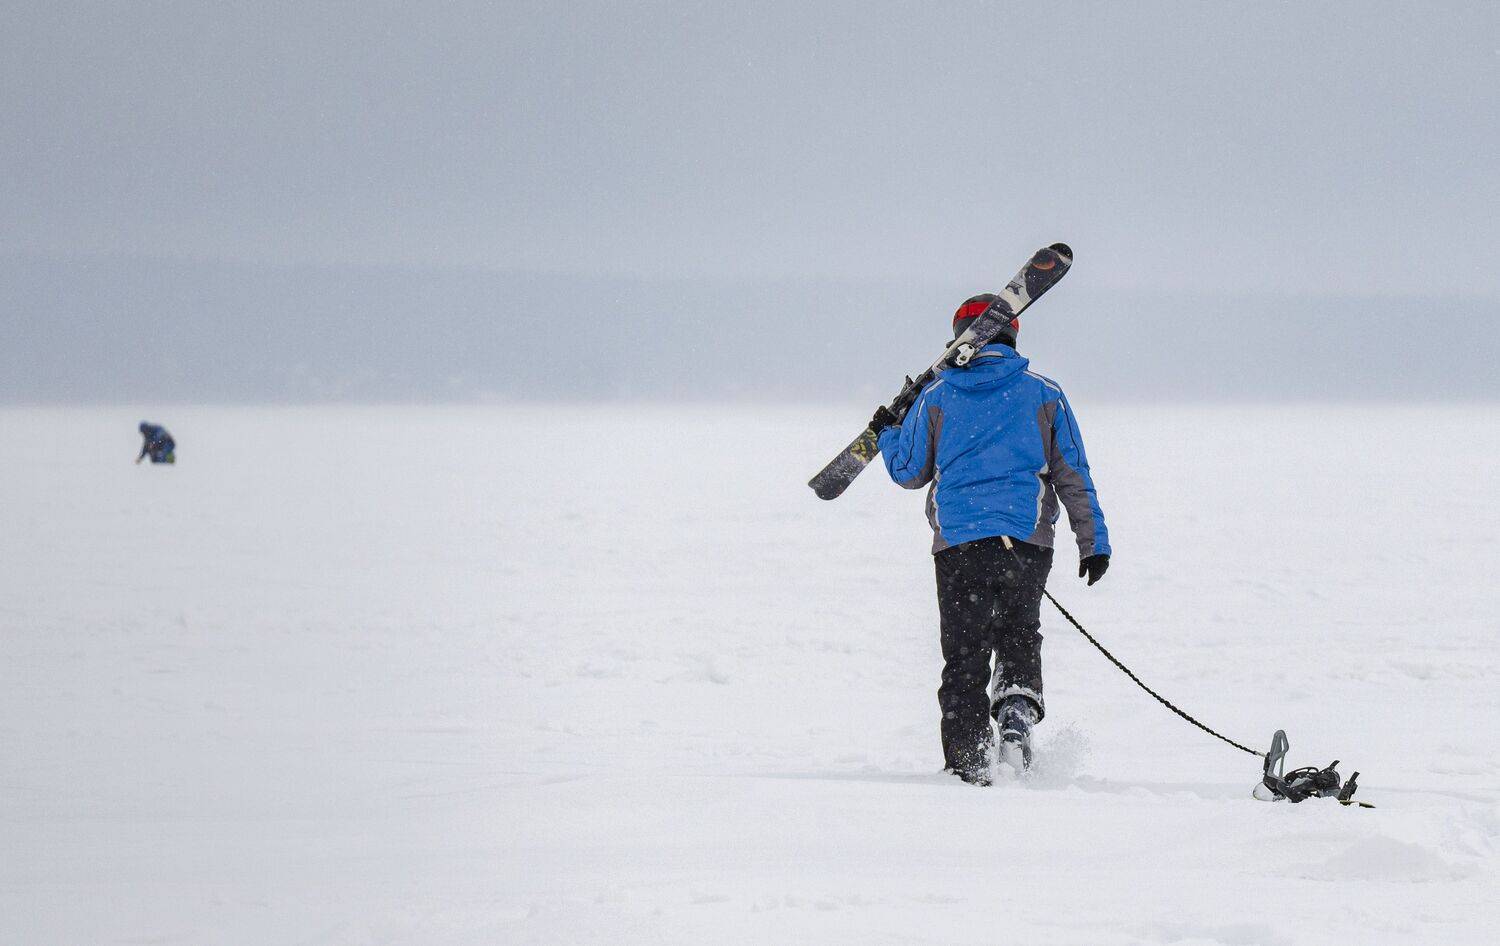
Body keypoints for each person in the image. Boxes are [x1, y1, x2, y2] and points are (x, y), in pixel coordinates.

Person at [870, 295, 1110, 785]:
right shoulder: (1044, 393)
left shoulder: (937, 396)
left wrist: (888, 432)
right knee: (1019, 634)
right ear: (1012, 336)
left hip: (959, 544)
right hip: (1025, 541)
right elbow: (1073, 473)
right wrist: (1093, 543)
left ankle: (968, 765)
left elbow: (908, 471)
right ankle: (1016, 717)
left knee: (964, 655)